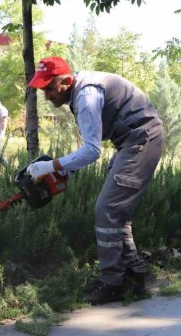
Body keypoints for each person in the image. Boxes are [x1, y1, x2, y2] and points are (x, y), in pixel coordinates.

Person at [24, 56, 164, 305]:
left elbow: (92, 151)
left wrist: (52, 166)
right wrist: (65, 171)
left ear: (65, 81)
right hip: (132, 139)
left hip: (141, 139)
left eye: (49, 88)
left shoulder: (86, 96)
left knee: (107, 208)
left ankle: (113, 283)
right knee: (116, 211)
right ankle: (137, 274)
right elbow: (90, 147)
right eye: (42, 89)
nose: (46, 95)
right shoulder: (82, 89)